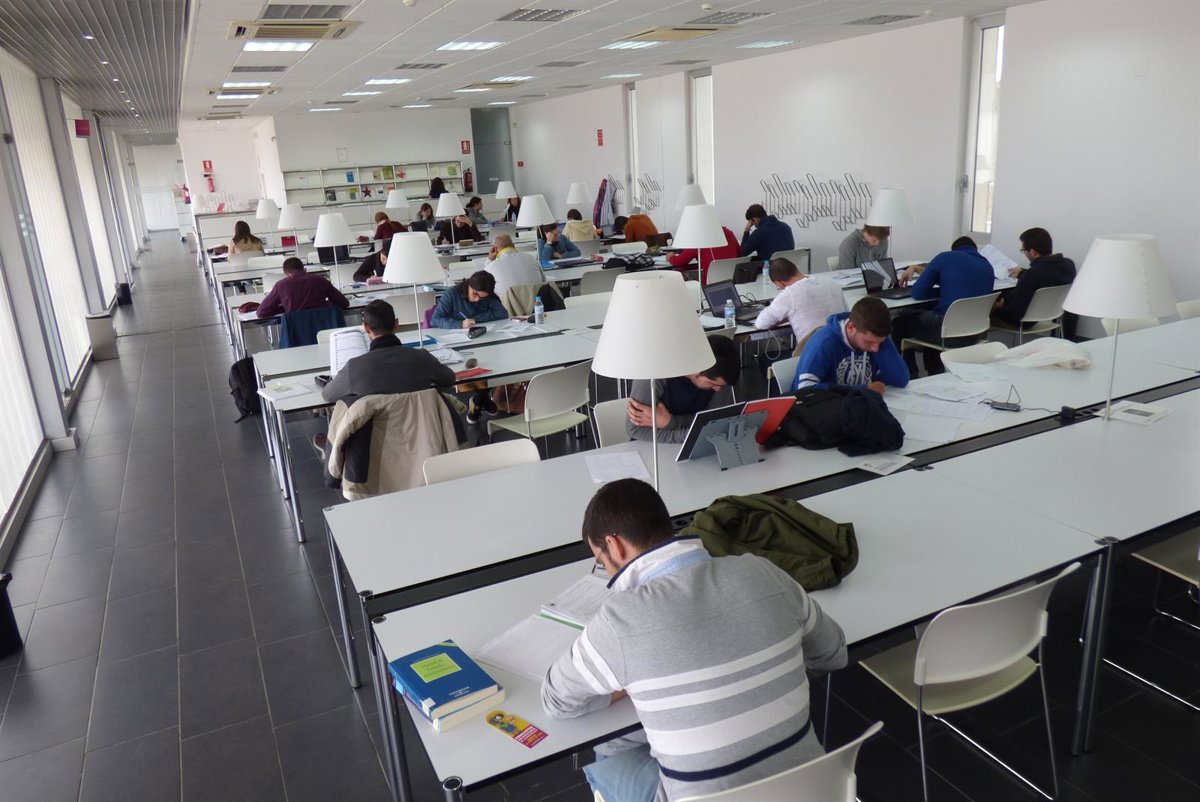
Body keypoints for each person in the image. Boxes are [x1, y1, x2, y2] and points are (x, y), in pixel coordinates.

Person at [541, 479, 847, 802]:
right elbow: (834, 654)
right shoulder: (765, 572)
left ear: (614, 545)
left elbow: (555, 700)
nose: (605, 570)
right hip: (812, 791)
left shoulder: (619, 621)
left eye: (601, 562)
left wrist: (626, 686)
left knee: (607, 749)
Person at [893, 236, 995, 375]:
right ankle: (935, 371)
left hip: (948, 333)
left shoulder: (945, 257)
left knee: (899, 323)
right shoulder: (987, 265)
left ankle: (910, 374)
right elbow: (957, 282)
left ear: (954, 250)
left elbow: (918, 293)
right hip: (976, 334)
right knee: (933, 317)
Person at [319, 300, 455, 404]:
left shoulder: (354, 368)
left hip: (376, 432)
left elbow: (328, 395)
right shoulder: (422, 358)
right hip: (422, 429)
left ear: (366, 328)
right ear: (396, 324)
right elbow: (449, 379)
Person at [626, 336, 741, 443]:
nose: (717, 389)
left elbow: (712, 423)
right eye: (712, 384)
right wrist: (688, 435)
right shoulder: (655, 371)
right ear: (697, 370)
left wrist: (669, 422)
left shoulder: (720, 380)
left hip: (694, 448)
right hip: (648, 447)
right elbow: (635, 430)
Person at [791, 296, 909, 392]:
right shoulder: (823, 343)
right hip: (826, 410)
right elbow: (805, 390)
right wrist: (863, 390)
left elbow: (901, 379)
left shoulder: (874, 336)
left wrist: (883, 341)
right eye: (869, 342)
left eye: (880, 342)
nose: (876, 349)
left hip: (860, 406)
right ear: (851, 327)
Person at [992, 227, 1077, 328]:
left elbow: (1014, 314)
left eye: (1023, 250)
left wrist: (997, 308)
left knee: (983, 313)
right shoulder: (1068, 265)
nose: (1024, 253)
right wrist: (1021, 273)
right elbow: (1047, 276)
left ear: (1032, 252)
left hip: (1023, 323)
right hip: (1054, 315)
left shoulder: (1032, 274)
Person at [754, 257, 847, 345]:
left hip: (812, 351)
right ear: (796, 269)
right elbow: (846, 312)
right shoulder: (830, 281)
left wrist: (785, 317)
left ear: (779, 283)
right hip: (844, 347)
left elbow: (760, 324)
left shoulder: (788, 295)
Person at [256, 257, 350, 318]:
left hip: (296, 333)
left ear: (286, 274)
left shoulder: (281, 285)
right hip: (323, 327)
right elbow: (344, 303)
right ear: (305, 269)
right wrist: (326, 305)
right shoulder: (320, 280)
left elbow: (261, 312)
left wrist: (285, 308)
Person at [429, 270, 508, 330]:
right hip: (454, 336)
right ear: (469, 285)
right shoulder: (451, 294)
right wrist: (460, 324)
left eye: (482, 297)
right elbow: (435, 320)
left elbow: (502, 313)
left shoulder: (487, 295)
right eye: (475, 294)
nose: (477, 299)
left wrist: (475, 319)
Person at [667, 225, 739, 284]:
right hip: (734, 282)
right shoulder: (728, 232)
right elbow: (739, 255)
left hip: (710, 286)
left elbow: (679, 261)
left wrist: (670, 256)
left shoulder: (700, 237)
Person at [485, 234, 544, 299]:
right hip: (537, 302)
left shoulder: (491, 266)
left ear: (495, 249)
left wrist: (489, 260)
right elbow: (543, 280)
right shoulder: (531, 258)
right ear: (513, 246)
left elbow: (484, 285)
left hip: (509, 304)